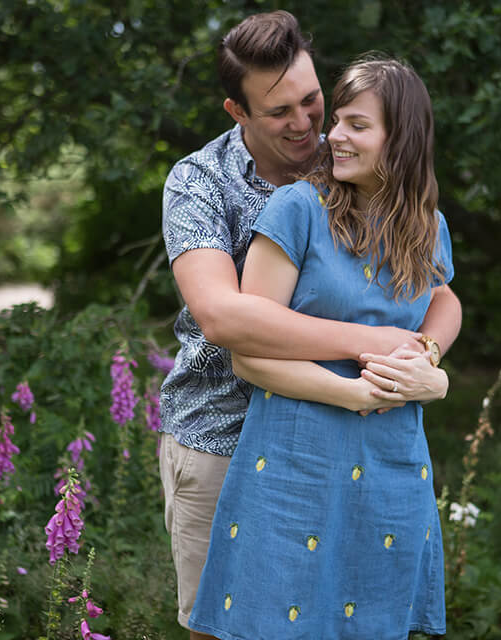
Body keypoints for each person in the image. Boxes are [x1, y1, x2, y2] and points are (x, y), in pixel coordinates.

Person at [159, 12, 461, 640]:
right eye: (279, 113)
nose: (306, 125)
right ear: (236, 111)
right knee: (227, 626)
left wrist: (427, 361)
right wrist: (372, 350)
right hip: (222, 434)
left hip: (356, 442)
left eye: (313, 101)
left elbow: (438, 295)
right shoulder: (199, 183)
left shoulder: (352, 159)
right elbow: (224, 318)